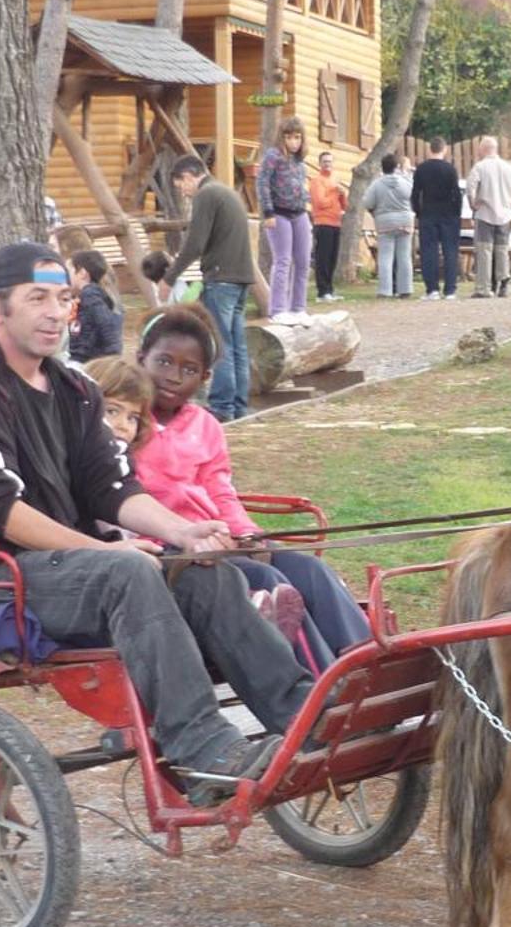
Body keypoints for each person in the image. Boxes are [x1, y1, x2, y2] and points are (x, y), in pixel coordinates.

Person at [0, 241, 311, 804]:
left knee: (203, 570)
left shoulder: (74, 389)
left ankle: (300, 716)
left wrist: (182, 532)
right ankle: (202, 751)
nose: (56, 312)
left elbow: (113, 487)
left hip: (61, 569)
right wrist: (101, 553)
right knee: (127, 573)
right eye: (37, 299)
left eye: (65, 298)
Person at [126, 306, 372, 665]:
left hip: (220, 538)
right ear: (140, 358)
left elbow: (220, 489)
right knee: (269, 581)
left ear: (206, 377)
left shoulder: (205, 425)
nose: (174, 377)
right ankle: (320, 682)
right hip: (170, 549)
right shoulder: (124, 421)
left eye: (189, 370)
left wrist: (247, 533)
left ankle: (363, 659)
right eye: (163, 362)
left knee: (309, 569)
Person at [161, 154, 268, 421]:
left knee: (220, 344)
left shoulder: (206, 195)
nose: (184, 193)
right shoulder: (226, 192)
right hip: (241, 277)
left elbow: (195, 243)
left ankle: (222, 406)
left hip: (221, 277)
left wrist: (170, 277)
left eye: (181, 186)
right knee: (237, 345)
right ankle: (239, 404)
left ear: (188, 176)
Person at [257, 118, 313, 322]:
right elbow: (262, 182)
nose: (293, 142)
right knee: (283, 261)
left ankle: (298, 308)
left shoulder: (299, 160)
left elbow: (301, 184)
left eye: (297, 137)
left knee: (304, 261)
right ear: (282, 137)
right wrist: (268, 212)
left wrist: (307, 204)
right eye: (289, 137)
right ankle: (278, 309)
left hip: (300, 213)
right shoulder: (273, 156)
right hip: (279, 213)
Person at [466, 136, 511, 299]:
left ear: (483, 149)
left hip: (485, 214)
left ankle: (484, 288)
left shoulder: (479, 167)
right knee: (501, 249)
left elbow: (470, 187)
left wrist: (473, 203)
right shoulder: (508, 167)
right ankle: (503, 282)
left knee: (484, 250)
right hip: (504, 214)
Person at [410, 136, 462, 301]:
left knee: (429, 252)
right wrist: (456, 212)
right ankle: (450, 290)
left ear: (429, 149)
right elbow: (456, 193)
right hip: (448, 215)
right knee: (450, 251)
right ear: (444, 149)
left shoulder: (422, 169)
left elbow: (415, 194)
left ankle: (432, 289)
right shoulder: (450, 169)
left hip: (429, 214)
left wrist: (419, 212)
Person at [365, 153, 415, 300]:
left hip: (385, 221)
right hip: (405, 220)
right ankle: (405, 289)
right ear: (397, 167)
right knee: (404, 256)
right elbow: (413, 197)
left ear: (383, 167)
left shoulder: (377, 184)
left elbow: (367, 203)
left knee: (385, 257)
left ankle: (385, 290)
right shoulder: (406, 182)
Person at [66, 249, 122, 362]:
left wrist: (113, 354)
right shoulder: (86, 295)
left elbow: (106, 323)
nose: (66, 278)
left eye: (69, 272)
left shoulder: (90, 294)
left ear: (82, 273)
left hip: (85, 359)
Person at [308, 150, 348, 303]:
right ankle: (322, 292)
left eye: (330, 161)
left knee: (332, 258)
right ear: (320, 164)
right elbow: (320, 202)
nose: (328, 164)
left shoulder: (335, 179)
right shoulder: (316, 181)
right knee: (323, 258)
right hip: (322, 223)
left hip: (336, 222)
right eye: (325, 161)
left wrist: (342, 194)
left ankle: (330, 290)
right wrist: (333, 193)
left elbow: (344, 205)